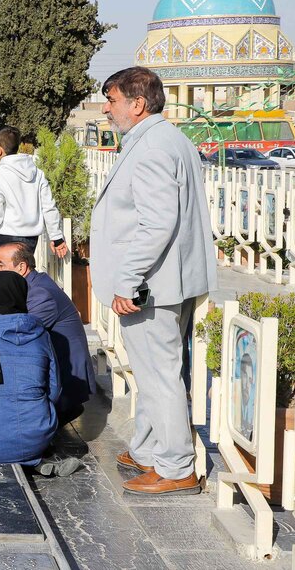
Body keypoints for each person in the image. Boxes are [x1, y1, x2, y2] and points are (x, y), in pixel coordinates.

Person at [92, 66, 216, 496]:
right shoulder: (167, 139)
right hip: (168, 280)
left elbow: (157, 224)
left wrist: (126, 280)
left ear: (137, 104)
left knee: (161, 375)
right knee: (153, 371)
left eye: (112, 101)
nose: (107, 109)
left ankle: (176, 465)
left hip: (151, 286)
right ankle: (148, 449)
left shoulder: (151, 149)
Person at [0, 271, 73, 473]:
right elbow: (54, 391)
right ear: (21, 296)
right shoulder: (41, 334)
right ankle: (32, 460)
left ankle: (18, 456)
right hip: (37, 438)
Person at [0, 242, 96, 424]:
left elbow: (19, 337)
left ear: (22, 267)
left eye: (0, 265)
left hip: (67, 380)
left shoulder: (39, 293)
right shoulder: (31, 284)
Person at [0, 126, 68, 260]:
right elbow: (49, 207)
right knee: (23, 275)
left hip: (5, 237)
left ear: (0, 151)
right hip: (31, 239)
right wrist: (56, 237)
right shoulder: (37, 173)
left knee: (7, 278)